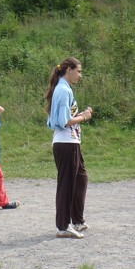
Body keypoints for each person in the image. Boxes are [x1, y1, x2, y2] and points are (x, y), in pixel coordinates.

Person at [46, 58, 92, 238]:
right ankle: (63, 226)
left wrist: (79, 115)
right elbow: (64, 121)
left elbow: (62, 118)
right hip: (66, 143)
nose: (80, 75)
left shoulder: (63, 88)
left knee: (81, 178)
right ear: (69, 70)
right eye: (78, 71)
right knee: (66, 185)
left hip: (71, 142)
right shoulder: (63, 90)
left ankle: (77, 220)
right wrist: (85, 117)